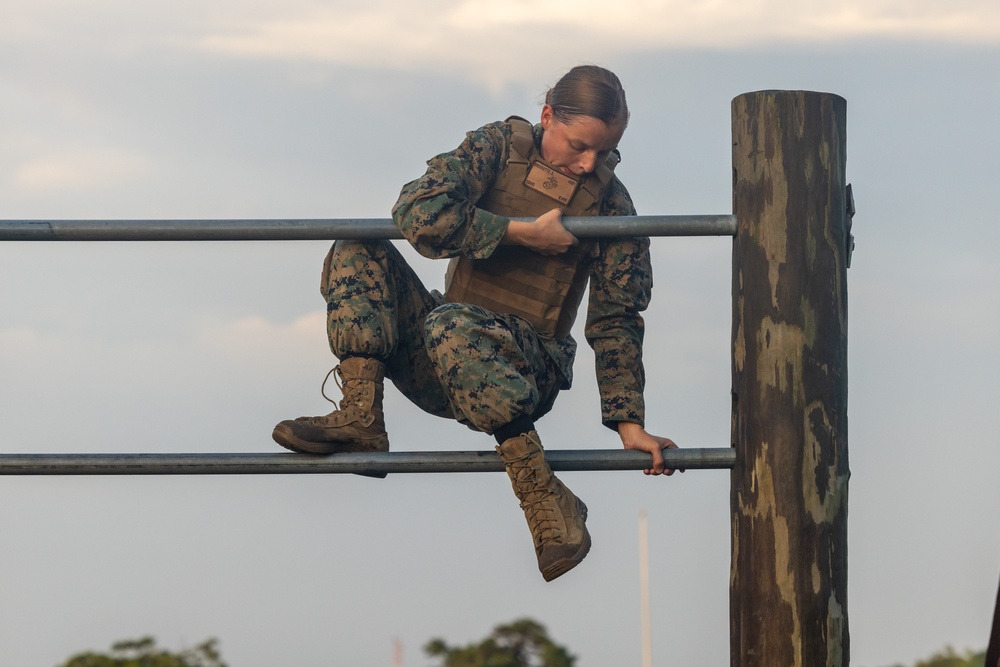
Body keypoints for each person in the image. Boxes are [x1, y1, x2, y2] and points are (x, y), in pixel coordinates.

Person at [272, 65, 678, 582]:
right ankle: (361, 420)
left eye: (605, 152)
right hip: (442, 354)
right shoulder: (494, 148)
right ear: (547, 116)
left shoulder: (612, 206)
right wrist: (520, 234)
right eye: (578, 145)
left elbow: (617, 319)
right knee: (358, 246)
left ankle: (544, 499)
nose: (587, 163)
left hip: (528, 369)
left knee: (452, 324)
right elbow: (417, 211)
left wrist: (629, 424)